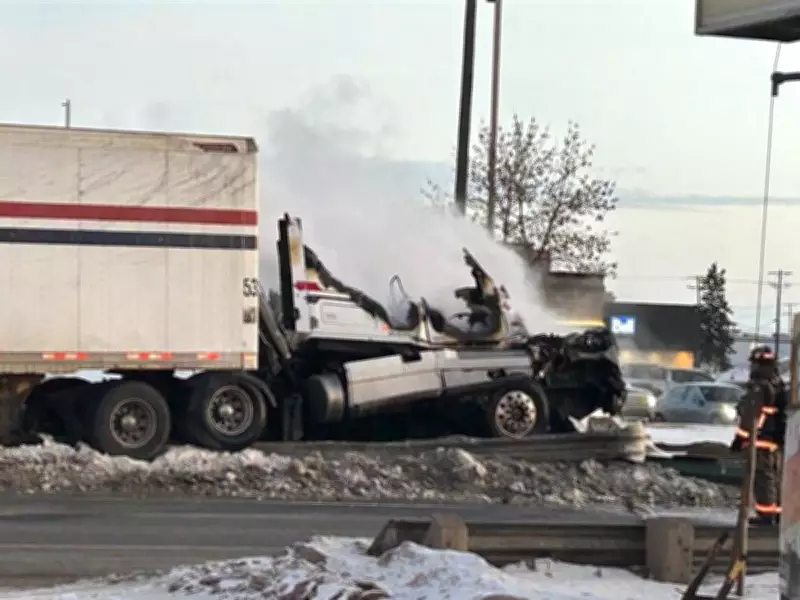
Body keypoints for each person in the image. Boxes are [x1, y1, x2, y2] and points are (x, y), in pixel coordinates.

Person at [730, 345, 788, 526]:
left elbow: (751, 414)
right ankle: (778, 513)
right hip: (775, 440)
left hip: (760, 439)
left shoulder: (759, 386)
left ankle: (766, 515)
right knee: (775, 477)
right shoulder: (777, 384)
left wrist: (740, 438)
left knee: (762, 477)